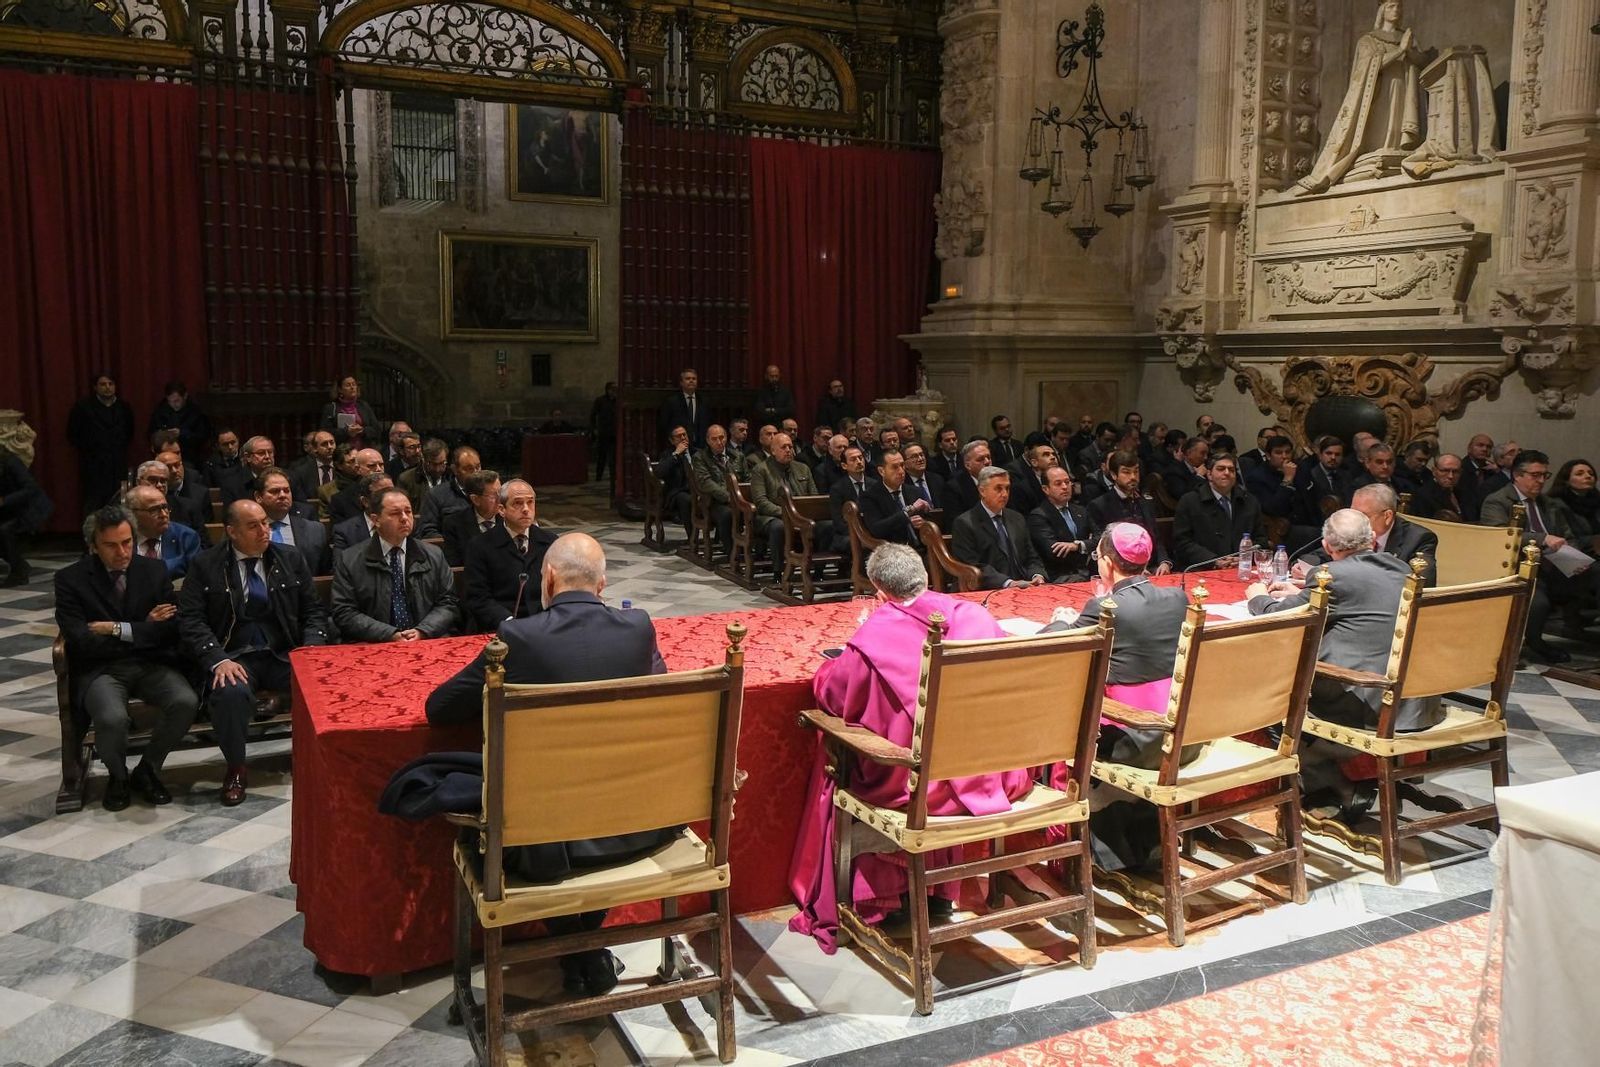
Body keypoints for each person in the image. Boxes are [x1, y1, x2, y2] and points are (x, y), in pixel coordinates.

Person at [425, 532, 675, 994]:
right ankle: (584, 945)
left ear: (548, 577)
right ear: (603, 586)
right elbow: (660, 694)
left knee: (496, 802)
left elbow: (439, 709)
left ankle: (572, 942)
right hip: (638, 828)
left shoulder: (517, 637)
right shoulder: (638, 627)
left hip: (539, 845)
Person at [787, 543, 1036, 950]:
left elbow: (834, 696)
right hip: (993, 777)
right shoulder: (975, 616)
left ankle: (877, 896)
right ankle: (936, 893)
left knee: (844, 758)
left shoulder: (876, 634)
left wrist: (829, 666)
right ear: (925, 577)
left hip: (922, 790)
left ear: (880, 591)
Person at [1248, 509, 1443, 816]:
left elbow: (1280, 618)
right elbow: (1358, 597)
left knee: (1268, 693)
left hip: (1367, 698)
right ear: (1371, 541)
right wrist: (1302, 591)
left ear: (1327, 546)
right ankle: (1332, 782)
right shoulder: (1403, 568)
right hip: (1414, 698)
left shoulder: (1330, 576)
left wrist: (1257, 596)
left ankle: (1324, 780)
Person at [179, 499, 329, 805]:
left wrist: (312, 650)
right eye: (253, 525)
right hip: (234, 656)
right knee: (229, 693)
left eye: (265, 523)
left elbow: (314, 611)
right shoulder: (206, 565)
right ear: (231, 532)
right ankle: (236, 767)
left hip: (281, 652)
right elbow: (191, 620)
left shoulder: (289, 557)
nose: (264, 530)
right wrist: (217, 659)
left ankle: (317, 759)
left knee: (322, 681)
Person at [55, 506, 198, 810]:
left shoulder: (153, 570)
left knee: (185, 701)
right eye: (111, 545)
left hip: (150, 664)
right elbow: (82, 643)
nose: (122, 552)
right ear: (93, 546)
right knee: (111, 719)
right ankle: (117, 776)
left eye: (127, 542)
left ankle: (147, 770)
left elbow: (172, 630)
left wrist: (117, 629)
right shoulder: (70, 580)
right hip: (101, 671)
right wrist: (143, 629)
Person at [1294, 0, 1423, 195]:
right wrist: (1400, 51)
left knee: (1398, 125)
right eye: (1391, 6)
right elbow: (1364, 71)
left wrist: (1412, 52)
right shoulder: (1368, 40)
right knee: (1381, 126)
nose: (1396, 10)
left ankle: (1396, 155)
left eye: (1399, 6)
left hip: (1404, 89)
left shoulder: (1406, 37)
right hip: (1378, 94)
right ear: (1382, 11)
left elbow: (1421, 63)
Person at [1480, 450, 1598, 663]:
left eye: (1545, 475)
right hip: (1517, 566)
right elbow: (1498, 535)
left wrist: (1574, 557)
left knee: (1595, 573)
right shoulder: (1498, 501)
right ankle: (1533, 643)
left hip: (1555, 564)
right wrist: (1542, 538)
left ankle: (1581, 629)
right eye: (1535, 475)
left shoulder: (1549, 503)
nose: (1541, 481)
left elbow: (1567, 535)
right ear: (1518, 475)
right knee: (1538, 601)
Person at [331, 488, 458, 643]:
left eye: (408, 511)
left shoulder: (433, 554)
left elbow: (448, 602)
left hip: (426, 638)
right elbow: (344, 612)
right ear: (375, 520)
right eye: (395, 513)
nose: (405, 518)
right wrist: (390, 635)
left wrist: (422, 631)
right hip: (374, 643)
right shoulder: (350, 559)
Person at [463, 479, 556, 633]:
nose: (526, 509)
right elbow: (478, 597)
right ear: (501, 509)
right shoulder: (480, 546)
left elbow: (560, 590)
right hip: (500, 627)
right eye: (518, 503)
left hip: (544, 626)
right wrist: (508, 621)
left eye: (530, 502)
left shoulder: (550, 542)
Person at [951, 466, 1047, 589]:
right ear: (982, 491)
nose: (1005, 494)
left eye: (1007, 488)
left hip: (1025, 585)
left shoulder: (1017, 518)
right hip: (988, 589)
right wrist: (1008, 583)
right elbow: (972, 565)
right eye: (998, 489)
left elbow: (1031, 556)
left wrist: (1037, 575)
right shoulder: (965, 523)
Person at [1172, 453, 1265, 569]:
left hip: (1241, 568)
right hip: (1204, 569)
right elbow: (1182, 542)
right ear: (1209, 474)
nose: (1227, 473)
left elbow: (1261, 540)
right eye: (1221, 469)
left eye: (1231, 470)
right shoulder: (1190, 501)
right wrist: (1213, 560)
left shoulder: (1249, 501)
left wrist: (1245, 558)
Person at [1086, 449, 1173, 573]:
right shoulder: (1099, 505)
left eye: (1136, 471)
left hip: (1153, 568)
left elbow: (1156, 538)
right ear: (1114, 475)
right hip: (1120, 571)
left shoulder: (1146, 502)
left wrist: (1164, 562)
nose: (1133, 477)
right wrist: (1136, 570)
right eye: (1126, 472)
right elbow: (1104, 547)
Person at [749, 432, 823, 564]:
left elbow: (814, 496)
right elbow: (761, 502)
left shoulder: (803, 468)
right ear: (773, 451)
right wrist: (787, 514)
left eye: (790, 446)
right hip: (771, 517)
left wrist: (804, 514)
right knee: (779, 527)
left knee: (826, 526)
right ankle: (778, 570)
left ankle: (817, 569)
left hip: (801, 515)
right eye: (783, 447)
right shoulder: (761, 470)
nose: (788, 450)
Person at [67, 373, 135, 517]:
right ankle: (92, 535)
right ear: (95, 387)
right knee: (93, 502)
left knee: (121, 499)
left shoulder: (124, 407)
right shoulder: (83, 407)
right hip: (93, 464)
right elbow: (72, 434)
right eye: (103, 384)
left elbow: (130, 432)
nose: (107, 388)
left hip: (118, 462)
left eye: (111, 384)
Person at [253, 467, 329, 576]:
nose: (283, 495)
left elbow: (325, 572)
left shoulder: (315, 530)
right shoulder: (247, 531)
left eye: (286, 490)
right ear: (258, 497)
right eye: (275, 491)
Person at [1027, 465, 1094, 582]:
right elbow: (1055, 552)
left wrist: (1077, 546)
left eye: (1067, 482)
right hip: (1060, 577)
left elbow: (1101, 538)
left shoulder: (1081, 510)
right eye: (1058, 484)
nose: (1065, 487)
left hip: (1089, 573)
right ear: (1045, 489)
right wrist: (1087, 549)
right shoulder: (1038, 516)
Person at [123, 485, 201, 580]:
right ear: (132, 513)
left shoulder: (186, 537)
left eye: (165, 507)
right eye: (154, 510)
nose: (164, 515)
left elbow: (198, 577)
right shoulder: (122, 538)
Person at [856, 449, 929, 550]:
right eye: (895, 467)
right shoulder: (869, 496)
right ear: (881, 471)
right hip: (889, 550)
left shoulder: (914, 491)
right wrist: (908, 512)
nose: (901, 471)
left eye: (902, 465)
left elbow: (926, 521)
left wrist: (923, 523)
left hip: (919, 548)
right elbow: (877, 529)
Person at [692, 425, 746, 554]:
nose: (719, 442)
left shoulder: (737, 456)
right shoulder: (700, 457)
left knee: (755, 512)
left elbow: (746, 479)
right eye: (714, 439)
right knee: (727, 514)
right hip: (713, 502)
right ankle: (732, 554)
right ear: (708, 441)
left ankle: (752, 550)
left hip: (737, 499)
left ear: (726, 438)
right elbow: (706, 483)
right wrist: (728, 497)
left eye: (721, 438)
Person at [0, 450, 50, 586]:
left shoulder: (11, 462)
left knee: (4, 531)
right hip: (10, 509)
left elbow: (31, 489)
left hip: (29, 508)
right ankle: (19, 563)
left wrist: (4, 500)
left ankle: (19, 571)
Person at [416, 445, 481, 537]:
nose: (476, 473)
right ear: (455, 470)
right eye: (469, 469)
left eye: (478, 467)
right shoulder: (436, 495)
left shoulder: (488, 493)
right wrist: (452, 542)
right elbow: (427, 531)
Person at [442, 469, 502, 567]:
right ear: (475, 499)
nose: (500, 499)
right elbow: (454, 564)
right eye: (493, 495)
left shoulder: (509, 519)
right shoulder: (454, 524)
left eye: (500, 492)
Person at [147, 381, 212, 466]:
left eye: (177, 401)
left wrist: (182, 433)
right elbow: (151, 434)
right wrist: (162, 435)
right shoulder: (160, 411)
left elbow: (203, 436)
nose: (173, 404)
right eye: (170, 401)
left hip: (189, 457)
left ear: (185, 396)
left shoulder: (196, 412)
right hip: (164, 456)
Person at [826, 445, 874, 555]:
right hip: (847, 534)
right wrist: (860, 534)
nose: (859, 462)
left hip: (872, 531)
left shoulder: (875, 485)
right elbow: (839, 522)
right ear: (844, 465)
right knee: (858, 542)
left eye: (860, 458)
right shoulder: (837, 489)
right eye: (853, 459)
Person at [330, 473, 393, 553]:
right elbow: (340, 564)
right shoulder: (344, 531)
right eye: (381, 494)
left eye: (393, 492)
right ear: (365, 501)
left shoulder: (404, 524)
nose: (390, 498)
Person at [1410, 453, 1478, 522]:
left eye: (1455, 471)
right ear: (1434, 471)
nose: (1450, 476)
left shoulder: (1466, 493)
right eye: (1445, 471)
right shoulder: (1423, 495)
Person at [1549, 458, 1600, 550]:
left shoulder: (1597, 501)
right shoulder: (1555, 504)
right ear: (1566, 480)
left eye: (1591, 474)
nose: (1588, 476)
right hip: (1576, 554)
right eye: (1579, 474)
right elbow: (1565, 539)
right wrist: (1595, 540)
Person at [652, 425, 694, 534]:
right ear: (671, 441)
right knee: (685, 499)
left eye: (684, 434)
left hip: (697, 489)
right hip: (677, 493)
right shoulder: (668, 455)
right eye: (679, 436)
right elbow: (659, 472)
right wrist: (676, 454)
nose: (683, 438)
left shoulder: (696, 452)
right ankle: (692, 538)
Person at [155, 450, 209, 534]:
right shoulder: (155, 496)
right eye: (168, 467)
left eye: (177, 465)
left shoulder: (201, 494)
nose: (174, 470)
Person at [327, 448, 387, 524]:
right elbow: (343, 532)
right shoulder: (341, 501)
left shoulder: (397, 495)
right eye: (372, 466)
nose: (378, 469)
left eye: (381, 465)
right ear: (358, 469)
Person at [320, 374, 380, 446]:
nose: (352, 387)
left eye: (354, 384)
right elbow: (325, 432)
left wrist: (362, 430)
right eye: (348, 385)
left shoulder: (364, 405)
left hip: (364, 448)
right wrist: (346, 432)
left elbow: (376, 429)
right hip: (342, 449)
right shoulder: (331, 407)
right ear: (340, 389)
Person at [658, 367, 710, 447]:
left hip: (700, 446)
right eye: (688, 378)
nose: (691, 381)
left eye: (694, 379)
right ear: (681, 383)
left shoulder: (703, 401)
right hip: (678, 446)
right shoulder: (671, 401)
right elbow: (664, 425)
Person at [219, 436, 278, 505]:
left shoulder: (287, 477)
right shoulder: (231, 484)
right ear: (248, 457)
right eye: (261, 453)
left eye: (270, 452)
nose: (267, 457)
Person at [289, 430, 338, 504]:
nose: (330, 447)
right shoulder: (301, 472)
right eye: (324, 444)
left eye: (332, 443)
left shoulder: (343, 468)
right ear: (315, 448)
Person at [399, 437, 450, 509]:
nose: (437, 469)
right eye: (433, 464)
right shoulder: (406, 479)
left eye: (442, 463)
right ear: (423, 458)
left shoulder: (452, 477)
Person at [945, 439, 990, 515]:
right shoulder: (954, 488)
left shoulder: (999, 480)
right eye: (980, 459)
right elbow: (957, 522)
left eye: (988, 457)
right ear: (967, 465)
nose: (987, 462)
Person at [901, 443, 945, 509]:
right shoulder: (902, 483)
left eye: (921, 455)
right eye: (914, 456)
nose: (920, 459)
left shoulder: (937, 479)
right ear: (904, 464)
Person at [589, 381, 617, 482]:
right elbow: (593, 415)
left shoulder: (618, 401)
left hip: (614, 433)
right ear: (608, 390)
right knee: (602, 457)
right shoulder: (600, 401)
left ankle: (614, 477)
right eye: (612, 389)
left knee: (613, 458)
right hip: (603, 433)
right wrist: (594, 429)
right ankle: (598, 477)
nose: (614, 391)